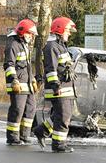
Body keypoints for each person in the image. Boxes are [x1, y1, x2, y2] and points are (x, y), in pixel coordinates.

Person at [33, 16, 77, 153]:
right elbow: (50, 69)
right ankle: (58, 144)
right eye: (68, 31)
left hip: (65, 88)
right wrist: (56, 85)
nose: (69, 33)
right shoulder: (52, 47)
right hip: (58, 89)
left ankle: (41, 131)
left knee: (60, 115)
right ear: (60, 29)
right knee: (64, 116)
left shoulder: (60, 46)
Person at [3, 19, 39, 146]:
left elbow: (27, 65)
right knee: (17, 109)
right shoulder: (13, 45)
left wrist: (33, 79)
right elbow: (9, 65)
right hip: (18, 83)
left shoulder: (24, 45)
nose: (32, 37)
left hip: (27, 83)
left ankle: (24, 135)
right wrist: (14, 81)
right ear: (22, 32)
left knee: (30, 108)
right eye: (30, 34)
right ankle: (12, 137)